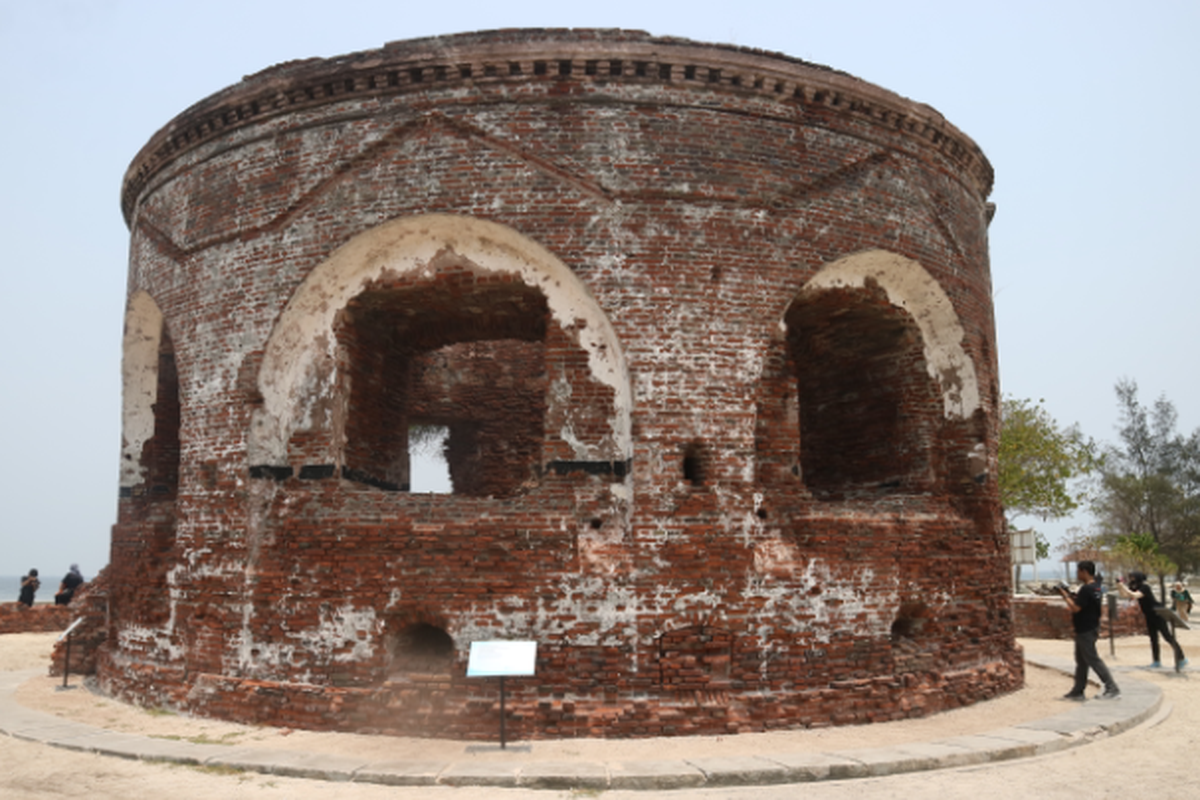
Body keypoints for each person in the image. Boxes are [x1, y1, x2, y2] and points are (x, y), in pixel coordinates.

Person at [1056, 560, 1120, 700]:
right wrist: (1071, 595)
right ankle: (1078, 691)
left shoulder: (1086, 589)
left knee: (1092, 659)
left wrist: (1064, 595)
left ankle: (1112, 687)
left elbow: (1075, 608)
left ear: (1084, 571)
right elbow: (1084, 603)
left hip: (1086, 629)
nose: (1077, 574)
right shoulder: (1096, 587)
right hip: (1089, 627)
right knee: (1082, 661)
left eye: (1078, 571)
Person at [1118, 571, 1188, 672]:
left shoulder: (1145, 587)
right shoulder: (1136, 587)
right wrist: (1119, 586)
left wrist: (1122, 585)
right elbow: (1125, 595)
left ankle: (1182, 658)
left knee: (1167, 637)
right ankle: (1156, 661)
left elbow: (1135, 595)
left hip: (1158, 614)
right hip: (1149, 615)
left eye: (1132, 577)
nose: (1131, 579)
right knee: (1153, 638)